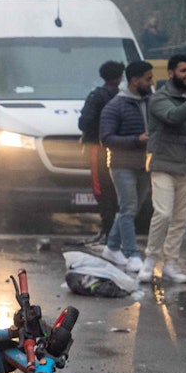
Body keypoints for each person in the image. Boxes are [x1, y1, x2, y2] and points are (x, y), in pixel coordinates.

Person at [138, 54, 186, 285]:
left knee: (180, 218)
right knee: (163, 214)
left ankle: (170, 262)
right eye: (183, 71)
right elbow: (174, 117)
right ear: (171, 73)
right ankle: (150, 260)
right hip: (164, 165)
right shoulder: (159, 98)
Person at [99, 60, 153, 273]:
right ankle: (132, 254)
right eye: (148, 79)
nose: (151, 83)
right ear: (135, 80)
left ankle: (112, 247)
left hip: (145, 164)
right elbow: (106, 138)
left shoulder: (150, 101)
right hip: (122, 165)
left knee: (132, 209)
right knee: (128, 208)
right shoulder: (116, 106)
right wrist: (136, 140)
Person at [78, 61, 124, 245]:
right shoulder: (123, 96)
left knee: (100, 189)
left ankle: (107, 229)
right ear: (120, 77)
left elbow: (84, 122)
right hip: (120, 149)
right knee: (115, 189)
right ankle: (113, 230)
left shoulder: (96, 96)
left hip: (98, 148)